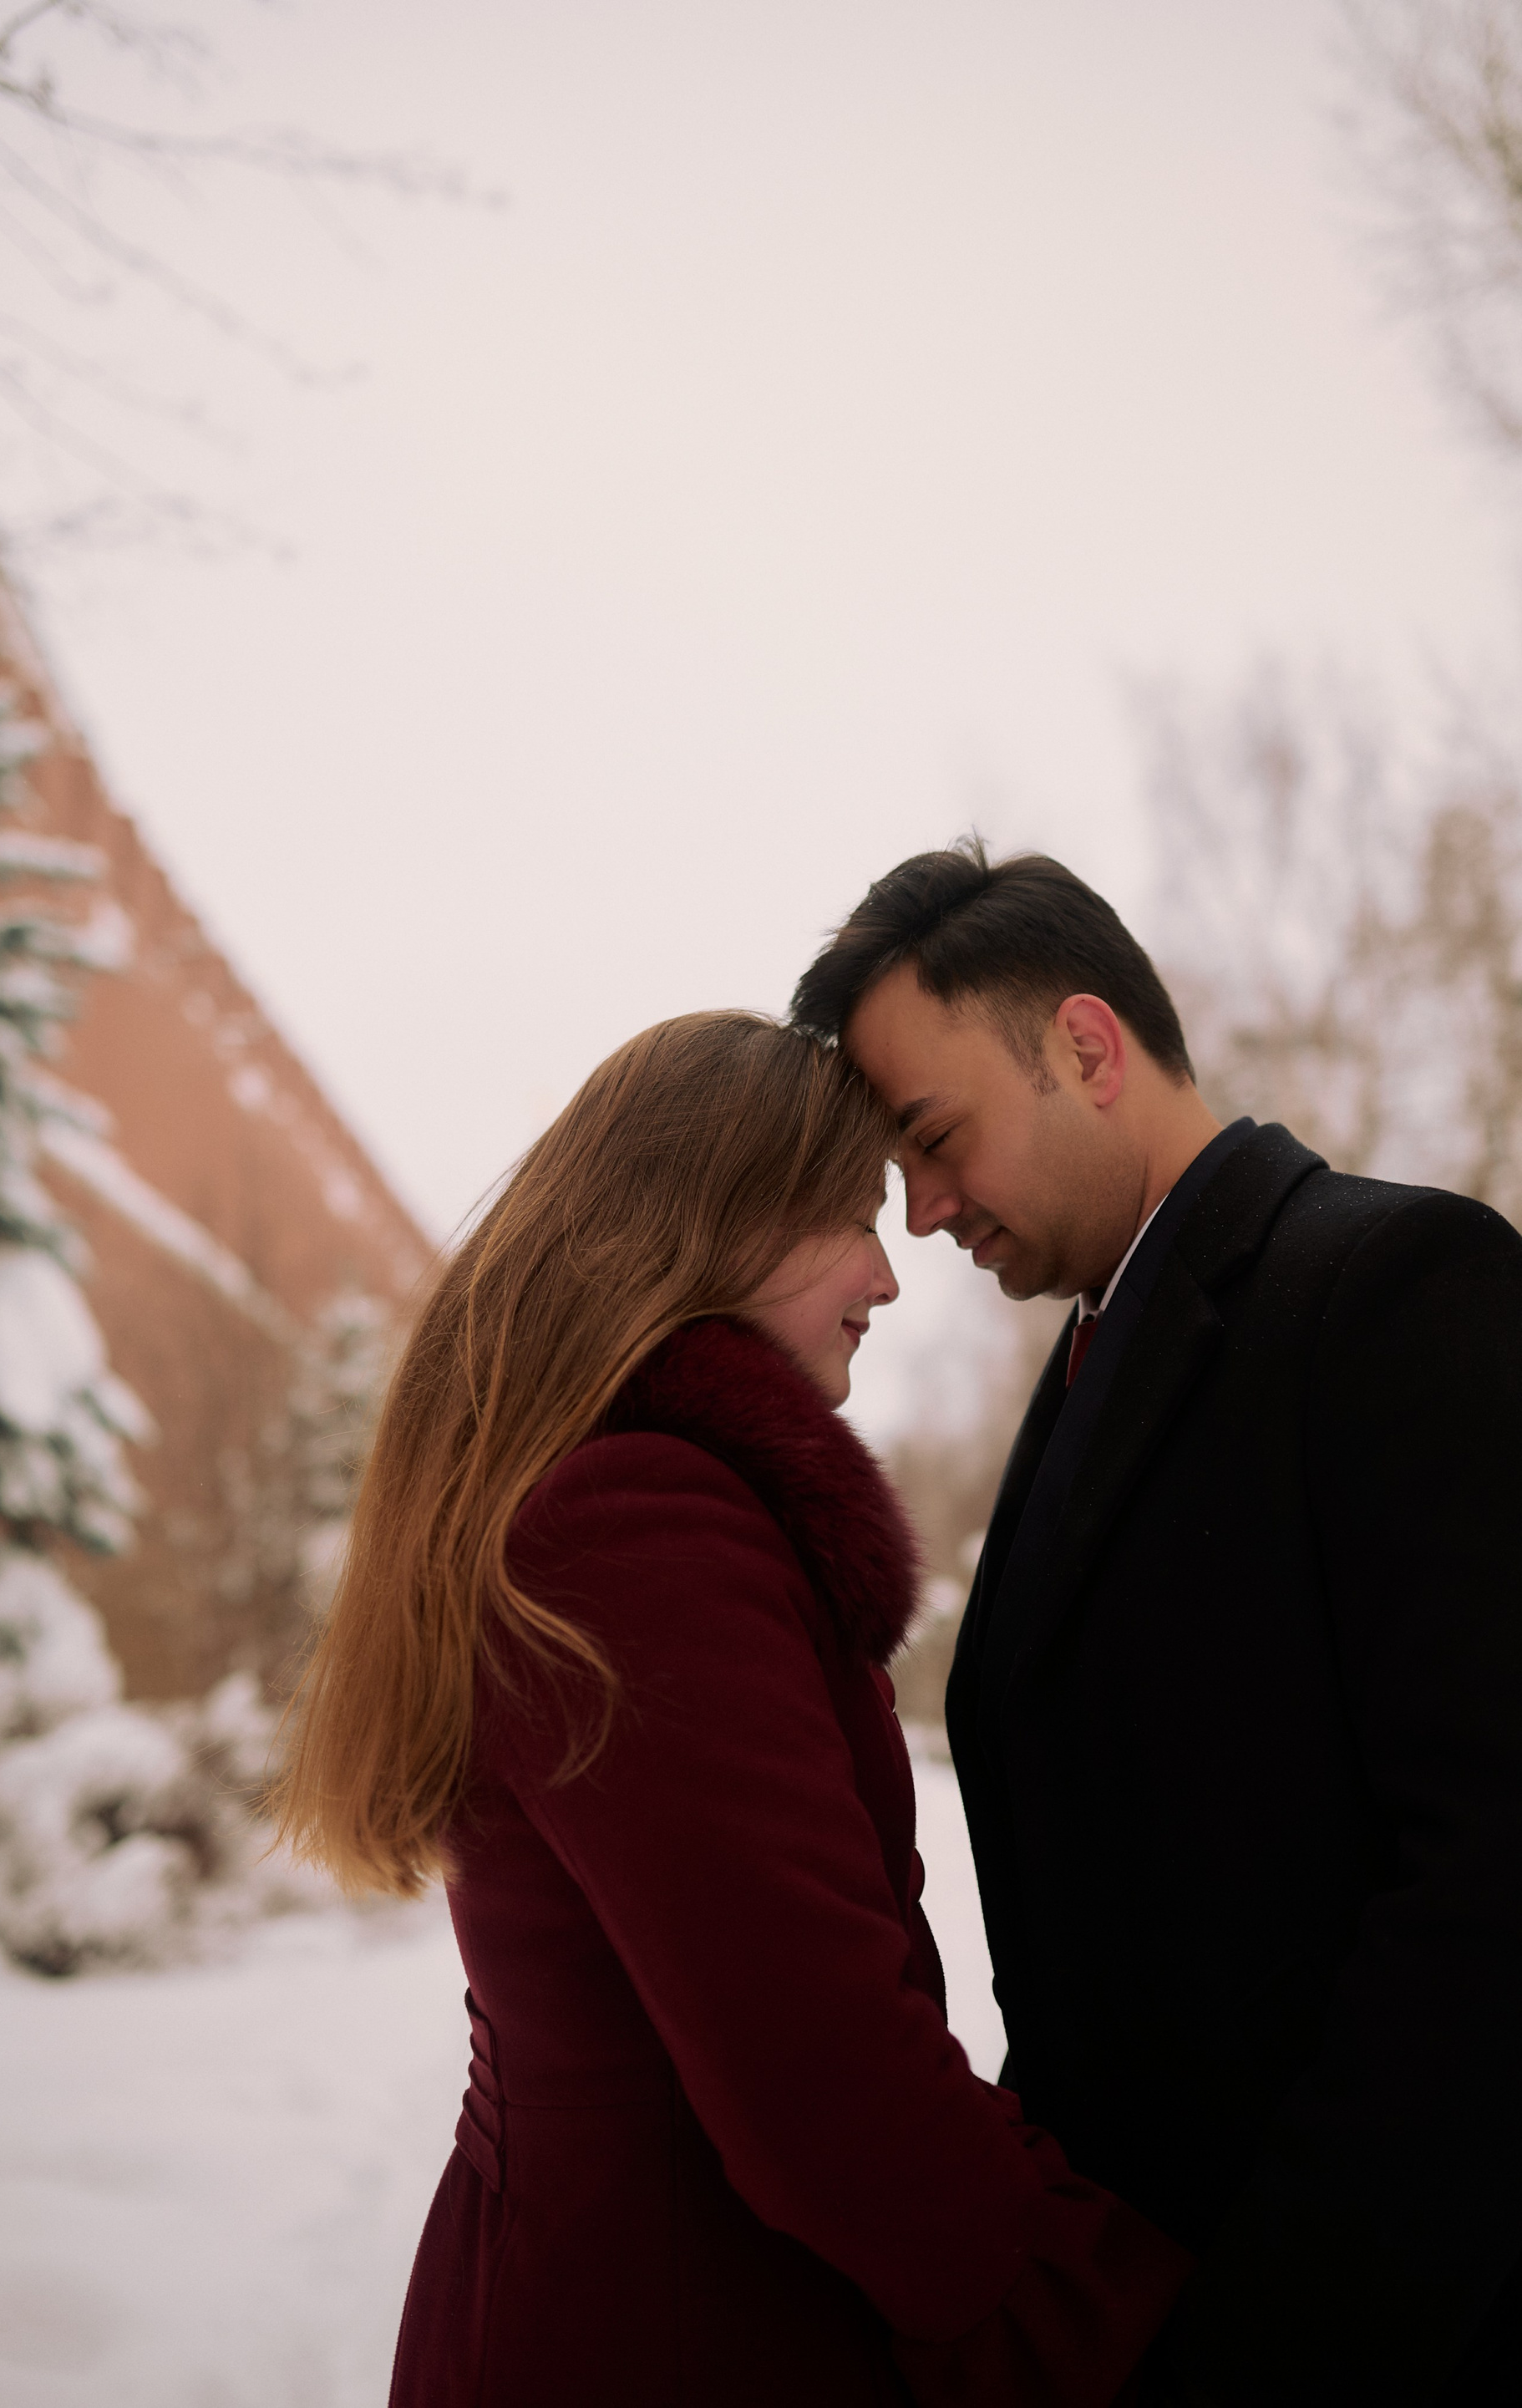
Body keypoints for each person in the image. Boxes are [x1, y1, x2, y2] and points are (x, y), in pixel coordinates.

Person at [274, 1010, 1189, 2408]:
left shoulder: (603, 1497)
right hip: (668, 2327)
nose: (889, 1272)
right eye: (850, 1216)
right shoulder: (635, 1527)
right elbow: (820, 2072)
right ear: (710, 1224)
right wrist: (1112, 2322)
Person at [790, 841, 1522, 2408]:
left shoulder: (1396, 1287)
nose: (921, 1212)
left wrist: (1263, 2354)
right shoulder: (1087, 1361)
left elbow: (1489, 1896)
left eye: (934, 1139)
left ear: (1086, 1046)